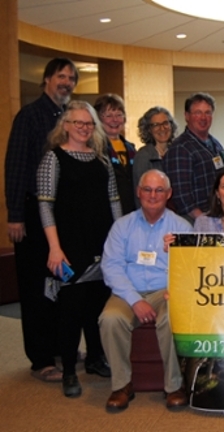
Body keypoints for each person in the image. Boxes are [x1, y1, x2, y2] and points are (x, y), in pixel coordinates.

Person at [37, 100, 122, 397]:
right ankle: (70, 371)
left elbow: (114, 203)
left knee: (97, 307)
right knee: (70, 311)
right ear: (66, 126)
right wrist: (54, 248)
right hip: (69, 247)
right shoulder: (53, 159)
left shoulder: (101, 160)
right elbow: (45, 206)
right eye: (78, 123)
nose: (84, 128)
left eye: (89, 124)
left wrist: (118, 242)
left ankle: (97, 359)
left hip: (102, 245)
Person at [4, 57, 78, 382]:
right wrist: (15, 215)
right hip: (33, 217)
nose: (66, 82)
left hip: (61, 217)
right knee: (37, 288)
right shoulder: (29, 117)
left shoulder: (68, 118)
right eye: (61, 76)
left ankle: (62, 347)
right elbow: (16, 167)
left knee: (61, 285)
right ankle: (41, 358)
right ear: (47, 79)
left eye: (71, 78)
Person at [99, 169, 192, 411]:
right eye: (147, 189)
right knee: (109, 319)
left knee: (174, 317)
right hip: (127, 291)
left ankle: (174, 386)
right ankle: (121, 386)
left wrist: (176, 257)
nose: (153, 195)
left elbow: (190, 270)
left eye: (159, 190)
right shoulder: (122, 226)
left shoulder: (182, 227)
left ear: (169, 194)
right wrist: (134, 300)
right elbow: (111, 266)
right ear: (139, 192)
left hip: (165, 291)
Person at [163, 92, 224, 221]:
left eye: (207, 113)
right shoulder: (180, 148)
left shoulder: (215, 143)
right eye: (197, 113)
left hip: (218, 216)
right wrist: (203, 220)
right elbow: (181, 194)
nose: (203, 117)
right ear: (187, 116)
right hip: (195, 222)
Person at [94, 93, 137, 214]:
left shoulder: (132, 149)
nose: (115, 120)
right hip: (105, 212)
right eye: (108, 115)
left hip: (130, 212)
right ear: (98, 119)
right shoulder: (95, 149)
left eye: (119, 115)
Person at [133, 106, 178, 208]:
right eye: (156, 125)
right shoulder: (143, 156)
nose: (162, 128)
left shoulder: (177, 152)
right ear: (149, 129)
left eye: (165, 123)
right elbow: (140, 195)